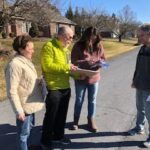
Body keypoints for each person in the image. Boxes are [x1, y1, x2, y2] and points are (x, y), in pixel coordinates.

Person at [5, 35, 44, 150]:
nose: (33, 50)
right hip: (23, 107)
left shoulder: (25, 60)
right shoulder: (14, 65)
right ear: (21, 49)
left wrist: (41, 81)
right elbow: (11, 91)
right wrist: (18, 111)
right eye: (30, 49)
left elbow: (26, 81)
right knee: (23, 135)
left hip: (31, 103)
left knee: (30, 130)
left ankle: (30, 146)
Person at [40, 26, 77, 149]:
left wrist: (77, 74)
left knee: (62, 115)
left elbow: (67, 68)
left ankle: (58, 136)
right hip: (54, 87)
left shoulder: (67, 50)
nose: (71, 40)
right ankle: (45, 142)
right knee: (51, 116)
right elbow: (48, 66)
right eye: (70, 37)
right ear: (62, 35)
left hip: (65, 87)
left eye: (72, 37)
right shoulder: (49, 47)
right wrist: (67, 67)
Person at [71, 26, 106, 132]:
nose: (92, 40)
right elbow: (73, 61)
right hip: (81, 77)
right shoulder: (78, 46)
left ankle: (91, 120)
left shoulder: (99, 46)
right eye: (90, 38)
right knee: (79, 100)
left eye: (94, 38)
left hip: (94, 78)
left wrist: (100, 63)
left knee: (92, 100)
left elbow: (104, 60)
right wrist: (84, 62)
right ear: (85, 36)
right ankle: (75, 121)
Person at [127, 24, 150, 148]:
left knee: (149, 112)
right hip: (140, 84)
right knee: (140, 108)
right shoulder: (142, 49)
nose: (139, 37)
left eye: (141, 35)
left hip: (149, 88)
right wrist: (134, 80)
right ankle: (139, 128)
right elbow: (138, 66)